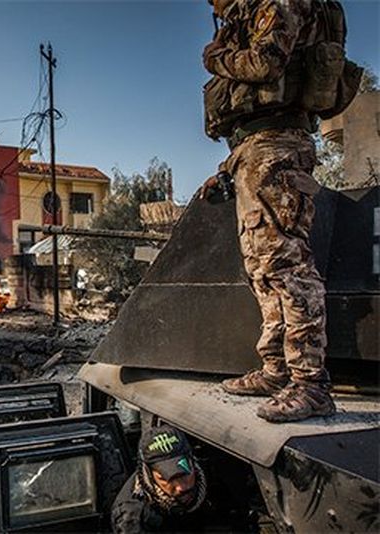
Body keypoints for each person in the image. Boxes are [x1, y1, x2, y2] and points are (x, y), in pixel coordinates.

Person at [200, 0, 339, 422]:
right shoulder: (248, 12)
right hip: (256, 148)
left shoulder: (277, 3)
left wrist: (216, 57)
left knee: (286, 266)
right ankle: (277, 370)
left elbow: (265, 63)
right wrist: (231, 167)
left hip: (277, 146)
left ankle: (311, 385)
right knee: (262, 268)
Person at [111, 425, 211, 533]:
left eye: (184, 474)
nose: (181, 487)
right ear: (149, 475)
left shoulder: (206, 473)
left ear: (192, 462)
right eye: (168, 479)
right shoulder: (133, 517)